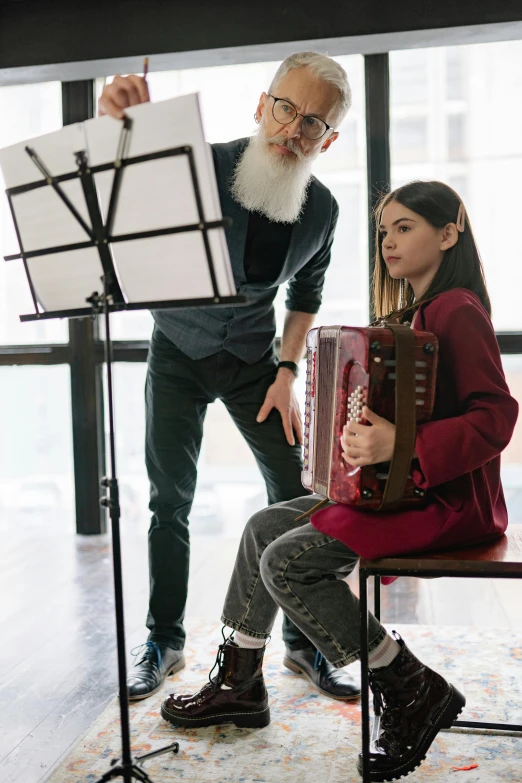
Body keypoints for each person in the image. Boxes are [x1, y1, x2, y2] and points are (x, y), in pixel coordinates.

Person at [159, 181, 518, 782]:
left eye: (405, 227)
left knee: (289, 561)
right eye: (383, 231)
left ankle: (408, 683)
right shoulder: (416, 311)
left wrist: (399, 445)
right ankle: (241, 680)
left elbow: (495, 417)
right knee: (262, 526)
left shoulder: (457, 309)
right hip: (414, 490)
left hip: (451, 502)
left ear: (449, 233)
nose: (389, 242)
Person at [98, 52, 360, 702]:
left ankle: (305, 645)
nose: (291, 131)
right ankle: (165, 639)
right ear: (259, 104)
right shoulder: (201, 166)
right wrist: (119, 130)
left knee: (298, 498)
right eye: (284, 109)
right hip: (177, 352)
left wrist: (288, 370)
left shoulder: (321, 210)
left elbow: (308, 290)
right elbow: (122, 208)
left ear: (328, 140)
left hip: (255, 363)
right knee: (170, 500)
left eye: (311, 125)